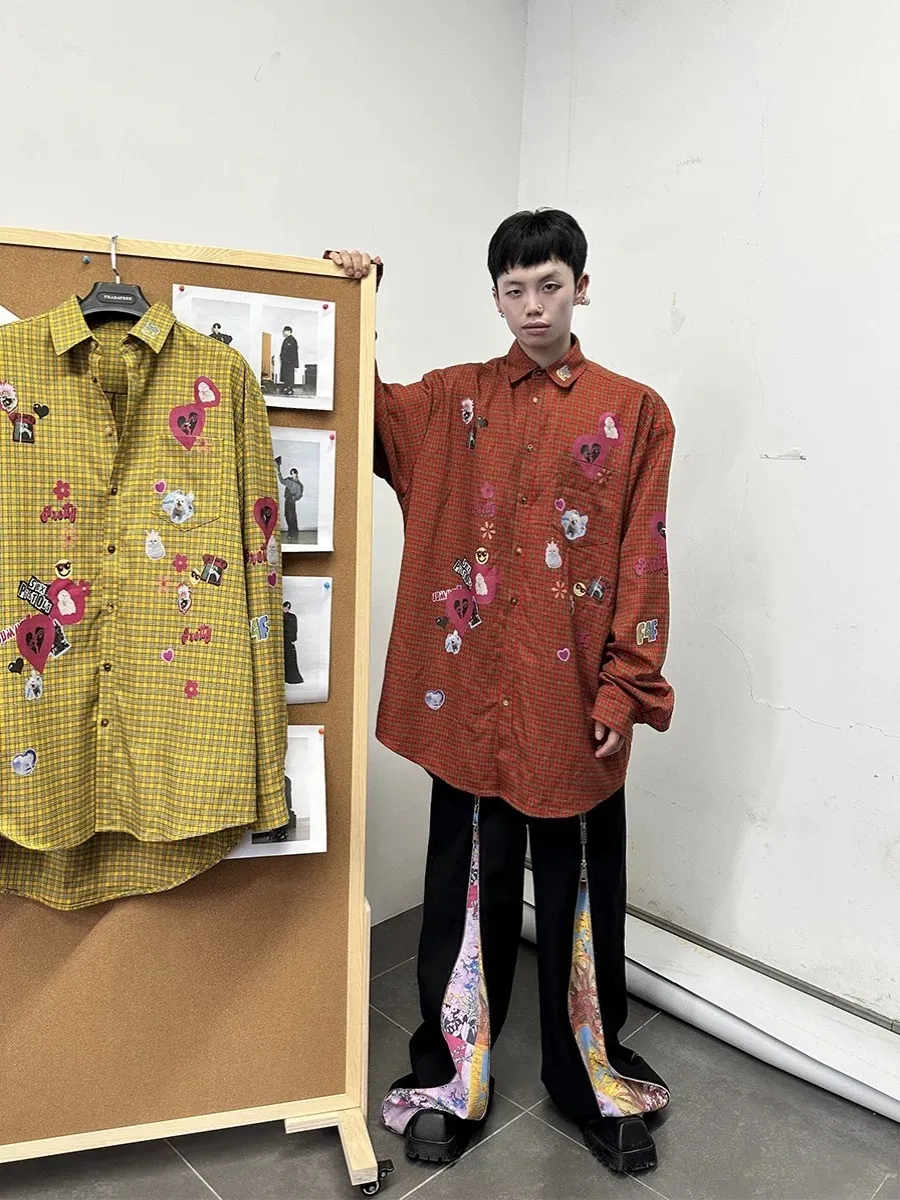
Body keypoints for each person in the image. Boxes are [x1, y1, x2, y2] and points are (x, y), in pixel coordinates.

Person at [328, 210, 675, 1177]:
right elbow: (364, 415)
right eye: (514, 290)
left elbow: (642, 556)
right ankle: (454, 1076)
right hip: (471, 698)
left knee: (576, 896)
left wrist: (624, 690)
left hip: (572, 703)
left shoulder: (635, 414)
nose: (532, 307)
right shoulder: (453, 401)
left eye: (549, 285)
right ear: (495, 297)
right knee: (464, 892)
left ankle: (587, 1075)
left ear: (581, 287)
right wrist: (358, 300)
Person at [274, 457, 304, 542]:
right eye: (291, 473)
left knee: (291, 517)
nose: (292, 475)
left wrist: (295, 498)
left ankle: (292, 533)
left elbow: (300, 494)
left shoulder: (299, 485)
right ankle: (293, 532)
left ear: (296, 474)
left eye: (293, 473)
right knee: (287, 516)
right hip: (287, 501)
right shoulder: (288, 480)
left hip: (292, 503)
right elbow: (282, 481)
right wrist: (278, 471)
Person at [282, 600, 303, 685]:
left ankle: (292, 678)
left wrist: (293, 639)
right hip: (281, 639)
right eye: (284, 607)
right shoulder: (279, 616)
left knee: (290, 658)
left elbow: (294, 629)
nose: (285, 609)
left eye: (287, 607)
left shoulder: (292, 617)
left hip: (289, 640)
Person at [279, 326, 300, 396]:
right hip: (285, 362)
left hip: (290, 362)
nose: (284, 332)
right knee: (286, 375)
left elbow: (294, 353)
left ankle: (290, 389)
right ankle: (286, 387)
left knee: (290, 376)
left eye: (285, 331)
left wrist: (294, 363)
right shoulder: (286, 340)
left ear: (289, 331)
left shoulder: (292, 340)